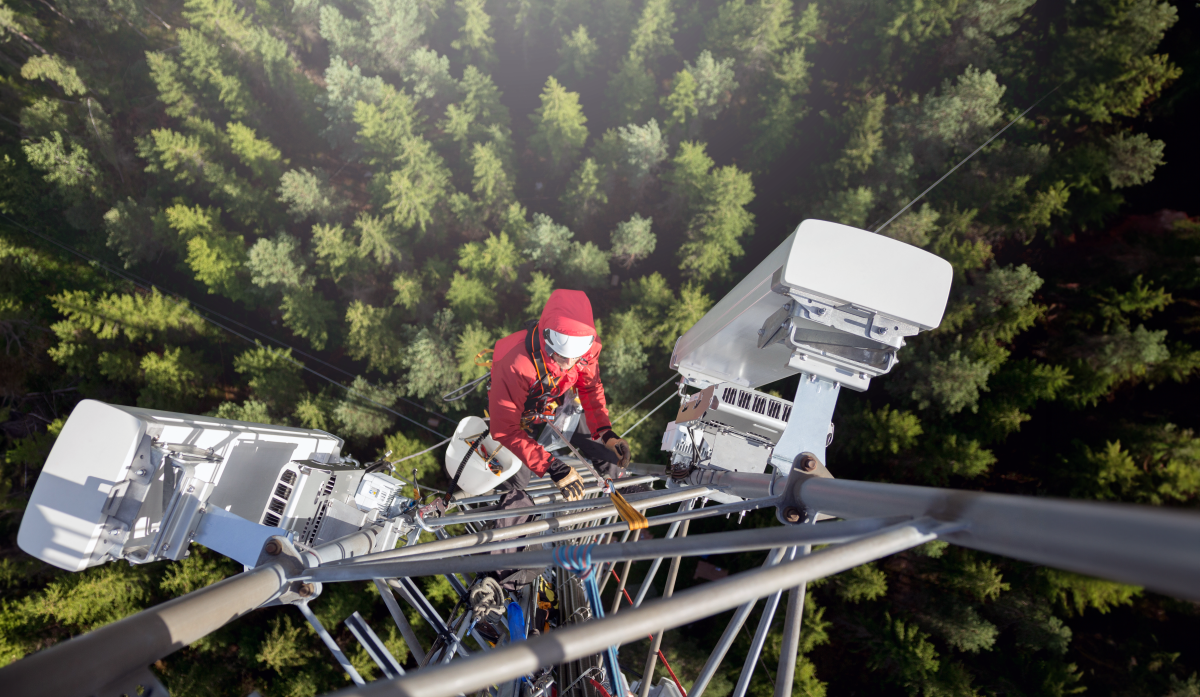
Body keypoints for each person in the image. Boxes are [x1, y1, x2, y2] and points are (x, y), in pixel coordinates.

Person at [486, 289, 632, 530]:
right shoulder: (514, 362)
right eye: (562, 357)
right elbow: (504, 428)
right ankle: (506, 534)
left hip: (553, 404)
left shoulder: (586, 349)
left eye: (575, 358)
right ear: (547, 340)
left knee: (609, 456)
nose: (569, 364)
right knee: (518, 481)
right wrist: (552, 466)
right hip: (517, 417)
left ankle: (624, 489)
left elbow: (590, 387)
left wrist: (606, 432)